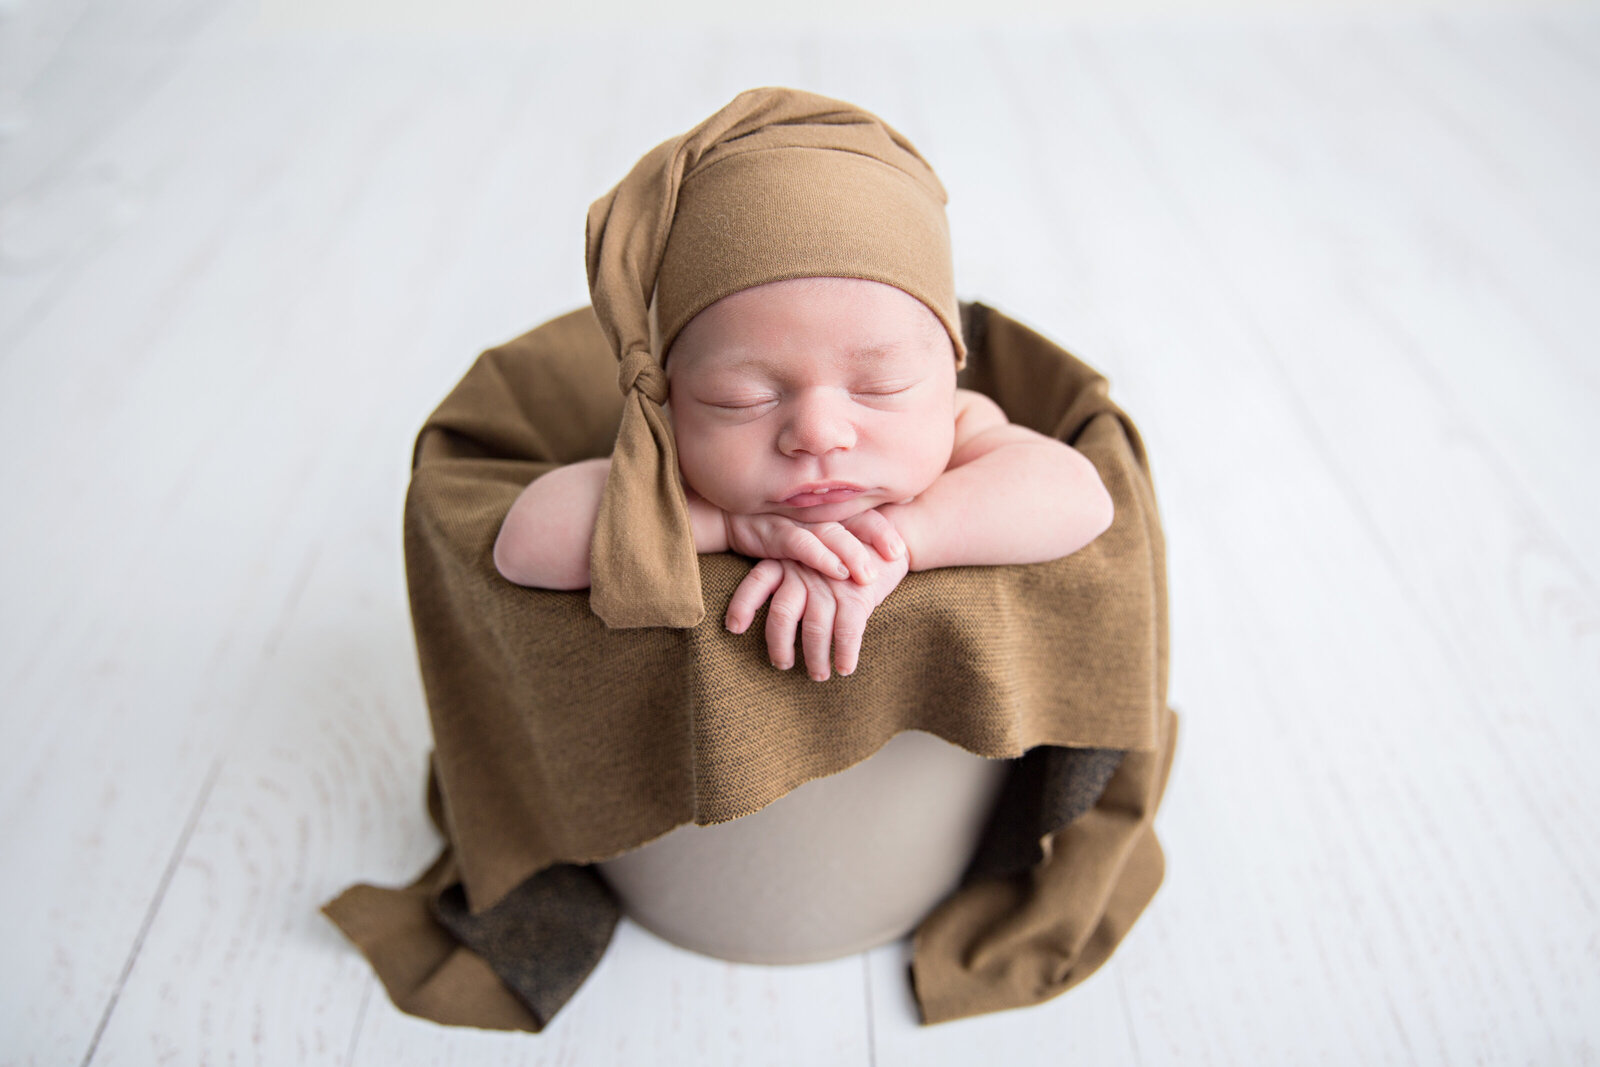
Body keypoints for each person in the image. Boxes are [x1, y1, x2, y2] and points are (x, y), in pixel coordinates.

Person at [493, 271, 1114, 680]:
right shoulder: (671, 462)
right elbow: (524, 546)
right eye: (741, 398)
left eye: (882, 388)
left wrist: (900, 536)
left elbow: (1081, 497)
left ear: (951, 375)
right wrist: (725, 522)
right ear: (668, 404)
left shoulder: (958, 424)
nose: (818, 433)